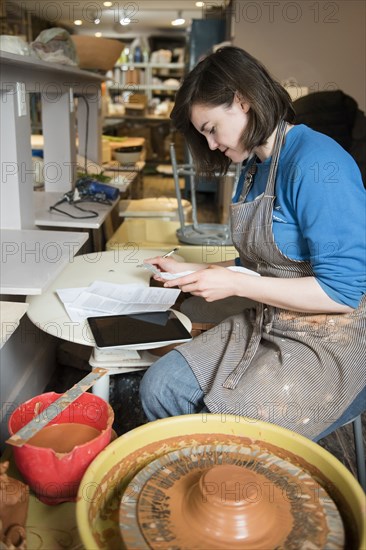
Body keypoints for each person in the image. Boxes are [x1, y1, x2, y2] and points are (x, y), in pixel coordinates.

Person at [139, 46, 366, 440]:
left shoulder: (317, 165)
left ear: (242, 101)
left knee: (229, 431)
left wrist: (236, 284)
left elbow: (343, 293)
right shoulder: (255, 167)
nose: (209, 145)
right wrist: (194, 271)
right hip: (270, 320)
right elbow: (263, 265)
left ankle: (229, 492)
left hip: (336, 339)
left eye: (210, 128)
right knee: (161, 387)